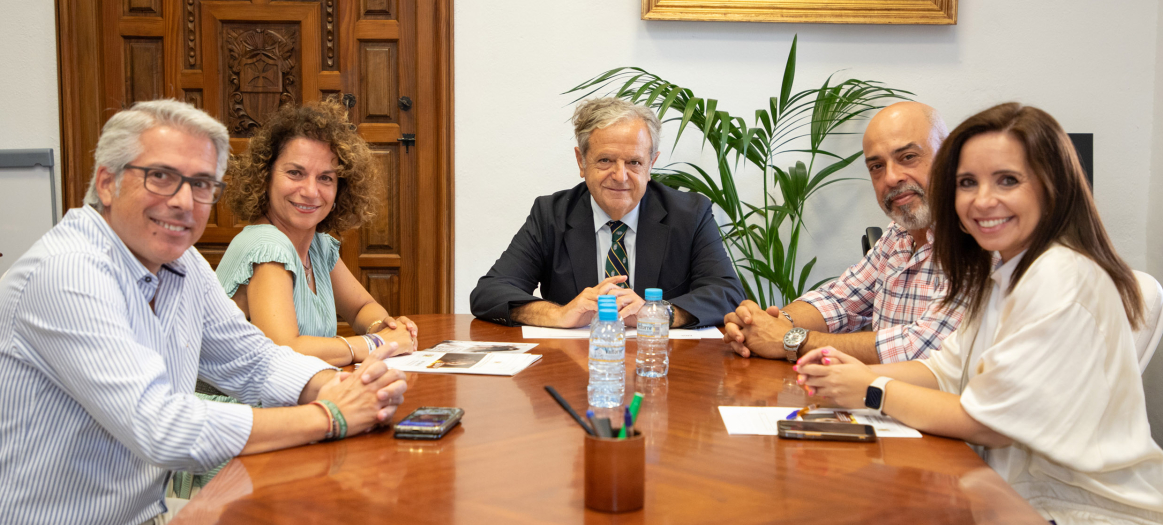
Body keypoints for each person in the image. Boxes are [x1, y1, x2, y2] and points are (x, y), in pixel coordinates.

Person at [0, 99, 408, 525]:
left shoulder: (182, 262)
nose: (182, 201)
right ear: (106, 182)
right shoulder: (66, 272)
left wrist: (342, 385)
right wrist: (331, 414)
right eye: (160, 176)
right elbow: (161, 426)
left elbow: (253, 357)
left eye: (200, 184)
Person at [797, 103, 1163, 523]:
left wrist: (871, 389)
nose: (982, 200)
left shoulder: (1062, 277)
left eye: (1007, 180)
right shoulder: (1002, 272)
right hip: (1007, 496)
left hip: (1078, 511)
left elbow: (988, 423)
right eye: (967, 182)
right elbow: (942, 368)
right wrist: (846, 372)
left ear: (1051, 186)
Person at [470, 97, 745, 328]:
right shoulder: (551, 215)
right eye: (605, 160)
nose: (620, 176)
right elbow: (489, 293)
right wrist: (559, 314)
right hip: (574, 370)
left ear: (651, 164)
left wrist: (657, 313)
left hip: (661, 368)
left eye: (634, 162)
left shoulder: (690, 214)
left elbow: (727, 293)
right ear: (581, 161)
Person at [723, 101, 964, 364]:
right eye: (877, 166)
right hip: (872, 396)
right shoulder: (899, 234)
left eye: (907, 157)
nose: (891, 178)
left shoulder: (978, 237)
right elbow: (840, 300)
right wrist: (767, 324)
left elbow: (922, 349)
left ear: (949, 155)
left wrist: (789, 339)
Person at [218, 99, 416, 367]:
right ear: (265, 178)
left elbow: (361, 309)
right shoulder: (266, 245)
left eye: (326, 178)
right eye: (295, 173)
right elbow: (285, 351)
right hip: (242, 408)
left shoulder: (318, 247)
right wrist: (377, 344)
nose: (311, 191)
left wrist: (382, 327)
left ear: (340, 190)